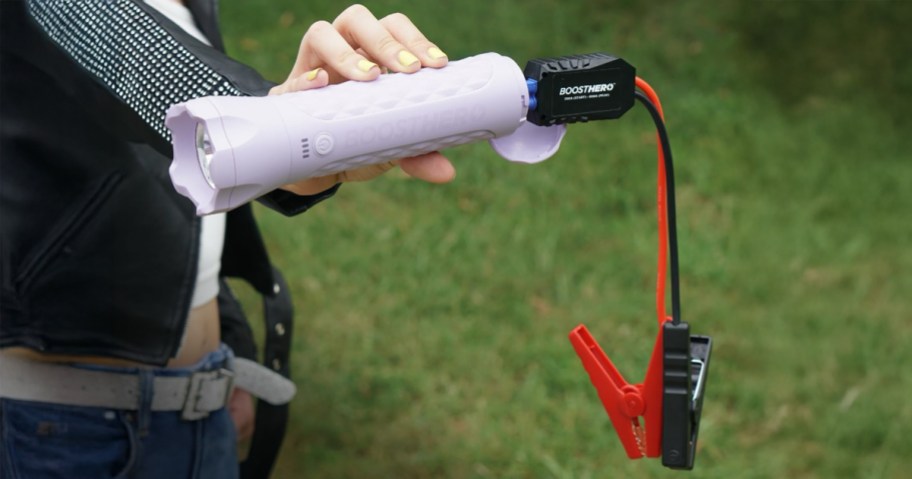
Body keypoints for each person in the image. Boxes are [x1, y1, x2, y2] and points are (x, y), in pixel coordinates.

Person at [0, 1, 455, 477]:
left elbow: (177, 187)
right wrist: (284, 128)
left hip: (199, 405)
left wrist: (230, 341)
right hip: (64, 428)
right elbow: (130, 54)